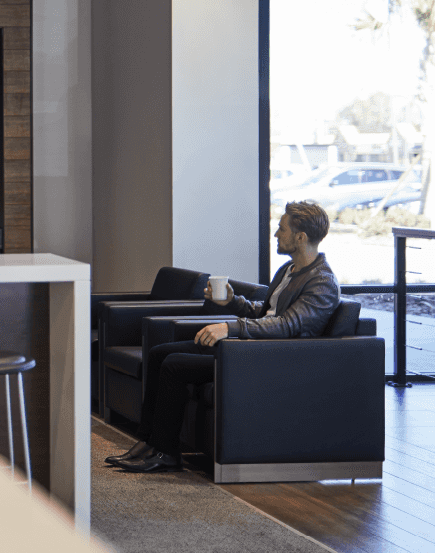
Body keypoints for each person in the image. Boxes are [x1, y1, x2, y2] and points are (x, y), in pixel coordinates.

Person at [105, 200, 340, 473]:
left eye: (282, 229)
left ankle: (167, 453)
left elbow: (287, 326)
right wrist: (231, 301)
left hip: (272, 359)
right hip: (247, 348)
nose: (276, 235)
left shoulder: (321, 282)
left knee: (175, 365)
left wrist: (230, 328)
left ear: (301, 237)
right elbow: (264, 314)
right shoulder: (288, 271)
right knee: (159, 353)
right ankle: (148, 442)